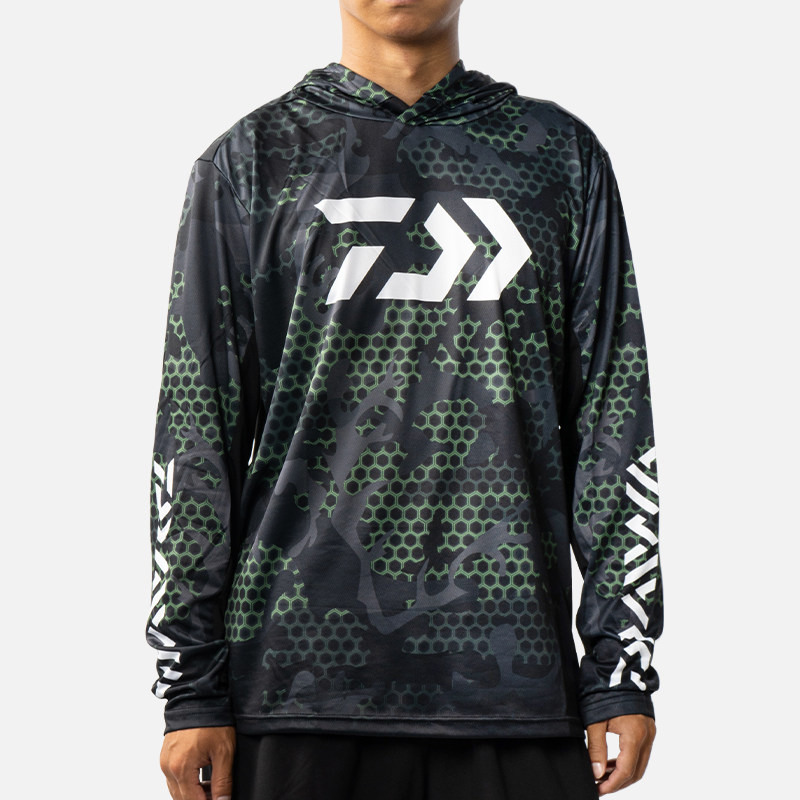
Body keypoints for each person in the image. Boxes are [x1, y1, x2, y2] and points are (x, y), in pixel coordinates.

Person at [148, 1, 662, 798]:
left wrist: (619, 668)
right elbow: (196, 427)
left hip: (517, 684)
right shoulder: (250, 161)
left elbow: (612, 417)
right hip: (291, 688)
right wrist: (190, 686)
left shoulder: (559, 156)